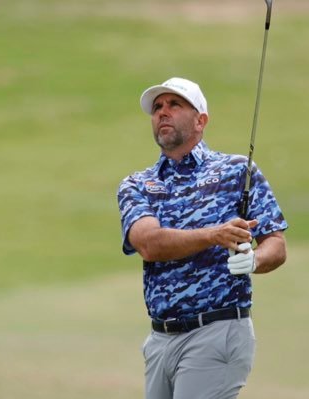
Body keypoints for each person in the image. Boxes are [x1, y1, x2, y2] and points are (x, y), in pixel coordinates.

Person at [117, 77, 287, 399]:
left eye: (174, 104)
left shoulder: (238, 171)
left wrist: (254, 260)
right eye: (157, 108)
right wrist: (214, 235)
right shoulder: (137, 185)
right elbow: (149, 244)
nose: (162, 113)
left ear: (201, 120)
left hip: (217, 329)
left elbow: (275, 245)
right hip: (160, 339)